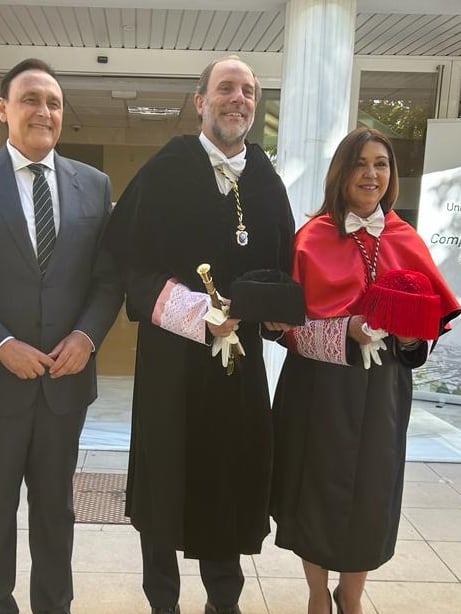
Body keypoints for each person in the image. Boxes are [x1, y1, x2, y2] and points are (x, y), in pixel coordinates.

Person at [0, 58, 122, 614]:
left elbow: (107, 280)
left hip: (64, 384)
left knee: (56, 512)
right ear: (4, 109)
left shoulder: (94, 184)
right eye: (32, 99)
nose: (44, 111)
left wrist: (86, 336)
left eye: (54, 103)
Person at [104, 55, 296, 614]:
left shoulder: (265, 179)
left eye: (249, 91)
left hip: (238, 370)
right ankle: (162, 600)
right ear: (200, 101)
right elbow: (128, 264)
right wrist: (197, 313)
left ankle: (223, 601)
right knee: (165, 479)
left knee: (227, 477)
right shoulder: (167, 167)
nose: (238, 99)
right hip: (171, 362)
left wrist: (275, 311)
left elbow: (285, 270)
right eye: (226, 88)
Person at [269, 127, 461, 614]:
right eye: (360, 163)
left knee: (371, 494)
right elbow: (284, 328)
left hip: (383, 391)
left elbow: (428, 329)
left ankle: (351, 594)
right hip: (319, 386)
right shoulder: (310, 237)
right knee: (314, 489)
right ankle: (317, 591)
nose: (371, 174)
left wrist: (413, 333)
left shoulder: (404, 236)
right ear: (341, 173)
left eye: (381, 164)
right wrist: (345, 331)